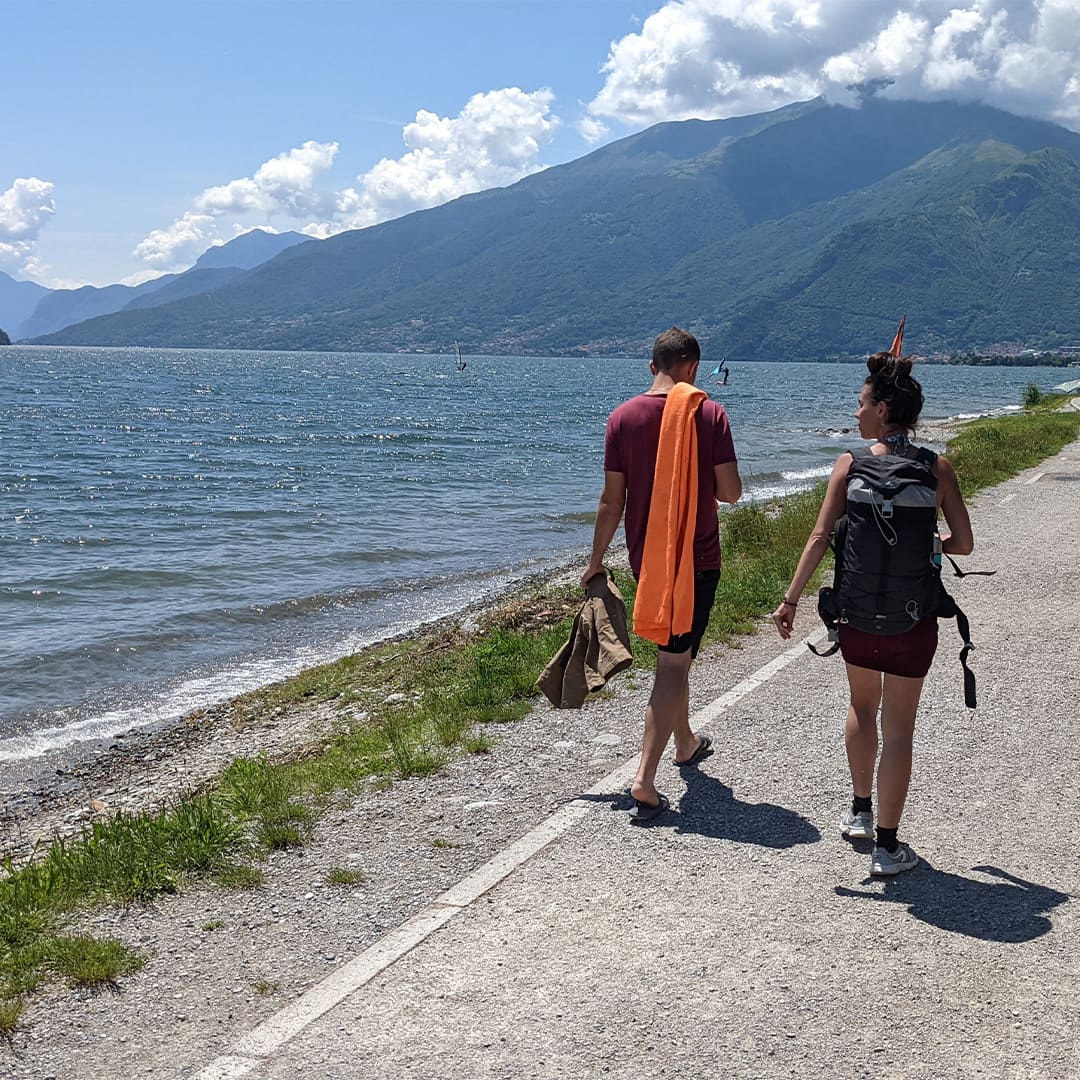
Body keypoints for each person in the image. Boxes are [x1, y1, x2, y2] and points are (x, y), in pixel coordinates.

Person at [772, 353, 974, 875]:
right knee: (900, 728)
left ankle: (860, 813)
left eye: (862, 404)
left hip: (857, 616)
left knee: (863, 708)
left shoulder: (849, 464)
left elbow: (819, 537)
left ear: (883, 409)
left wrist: (791, 600)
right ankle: (887, 847)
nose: (856, 412)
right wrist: (932, 545)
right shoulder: (937, 467)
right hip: (913, 620)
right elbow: (966, 544)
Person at [583, 327, 742, 820]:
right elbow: (731, 492)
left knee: (677, 651)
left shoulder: (622, 418)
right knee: (674, 663)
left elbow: (613, 501)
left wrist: (594, 560)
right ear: (693, 368)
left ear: (652, 365)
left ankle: (686, 741)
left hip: (645, 560)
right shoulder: (708, 412)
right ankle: (644, 779)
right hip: (695, 558)